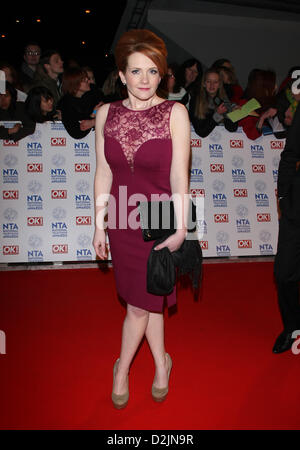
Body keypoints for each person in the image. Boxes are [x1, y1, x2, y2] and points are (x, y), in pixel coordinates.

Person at [93, 29, 191, 408]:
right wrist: (97, 223)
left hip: (159, 213)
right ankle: (163, 363)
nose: (145, 80)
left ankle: (121, 369)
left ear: (162, 74)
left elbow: (179, 175)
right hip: (120, 215)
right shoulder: (106, 114)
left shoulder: (175, 112)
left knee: (142, 302)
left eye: (153, 71)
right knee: (148, 299)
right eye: (136, 72)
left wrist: (182, 225)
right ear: (121, 75)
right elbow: (103, 172)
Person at [273, 103, 300, 353]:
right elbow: (290, 155)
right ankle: (292, 327)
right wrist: (283, 196)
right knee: (284, 272)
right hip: (296, 206)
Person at [189, 68, 238, 137]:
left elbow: (232, 128)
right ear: (204, 83)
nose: (212, 85)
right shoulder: (196, 101)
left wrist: (234, 114)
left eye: (215, 82)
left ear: (220, 84)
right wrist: (217, 114)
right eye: (209, 81)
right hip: (200, 145)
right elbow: (201, 132)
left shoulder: (224, 100)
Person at [58, 67, 103, 139]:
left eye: (87, 79)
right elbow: (76, 132)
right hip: (74, 145)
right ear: (75, 84)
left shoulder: (94, 93)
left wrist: (93, 121)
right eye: (84, 80)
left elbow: (110, 113)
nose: (88, 81)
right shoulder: (66, 103)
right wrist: (93, 115)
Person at [238, 69, 277, 140]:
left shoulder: (272, 103)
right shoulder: (246, 105)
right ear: (264, 88)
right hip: (250, 148)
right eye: (273, 84)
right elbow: (252, 135)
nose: (276, 87)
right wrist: (263, 118)